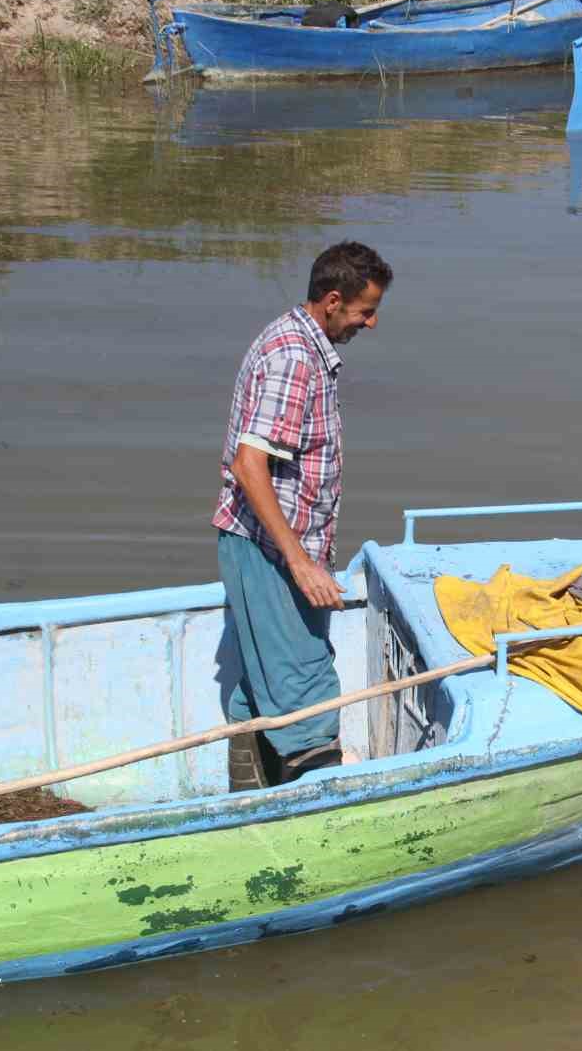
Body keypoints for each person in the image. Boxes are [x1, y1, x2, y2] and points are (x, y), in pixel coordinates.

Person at [212, 241, 392, 791]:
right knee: (307, 693)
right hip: (268, 550)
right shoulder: (293, 358)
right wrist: (300, 563)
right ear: (333, 301)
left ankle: (250, 802)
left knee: (263, 683)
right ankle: (321, 819)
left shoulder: (304, 346)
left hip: (280, 547)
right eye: (364, 311)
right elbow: (249, 466)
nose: (372, 322)